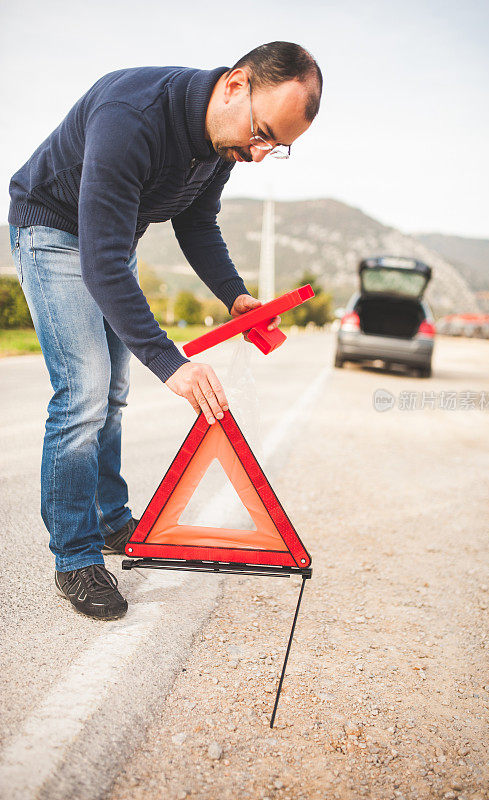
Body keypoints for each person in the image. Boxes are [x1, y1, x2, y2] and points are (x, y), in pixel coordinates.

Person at [8, 41, 323, 621]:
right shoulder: (132, 117)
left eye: (275, 147)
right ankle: (75, 557)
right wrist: (171, 361)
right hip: (52, 231)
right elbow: (100, 261)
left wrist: (236, 297)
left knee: (114, 394)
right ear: (235, 84)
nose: (258, 152)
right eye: (262, 132)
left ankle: (108, 520)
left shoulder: (220, 144)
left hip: (109, 240)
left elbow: (197, 222)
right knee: (83, 391)